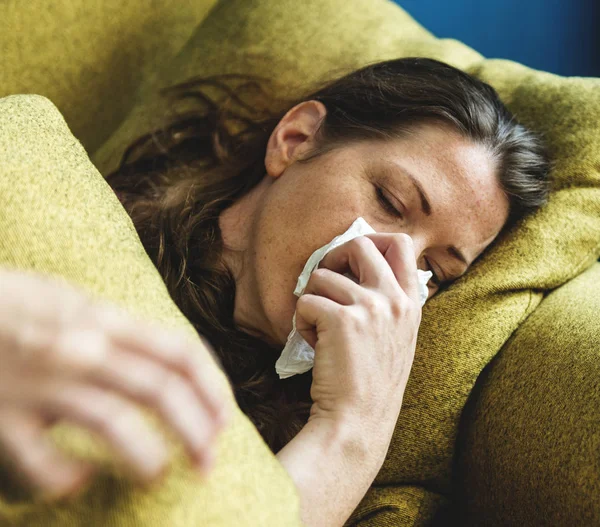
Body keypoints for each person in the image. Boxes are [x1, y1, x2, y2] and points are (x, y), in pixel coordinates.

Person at [0, 58, 550, 526]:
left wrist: (354, 428)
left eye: (434, 269)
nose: (389, 269)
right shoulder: (61, 217)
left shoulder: (297, 437)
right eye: (389, 199)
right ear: (295, 140)